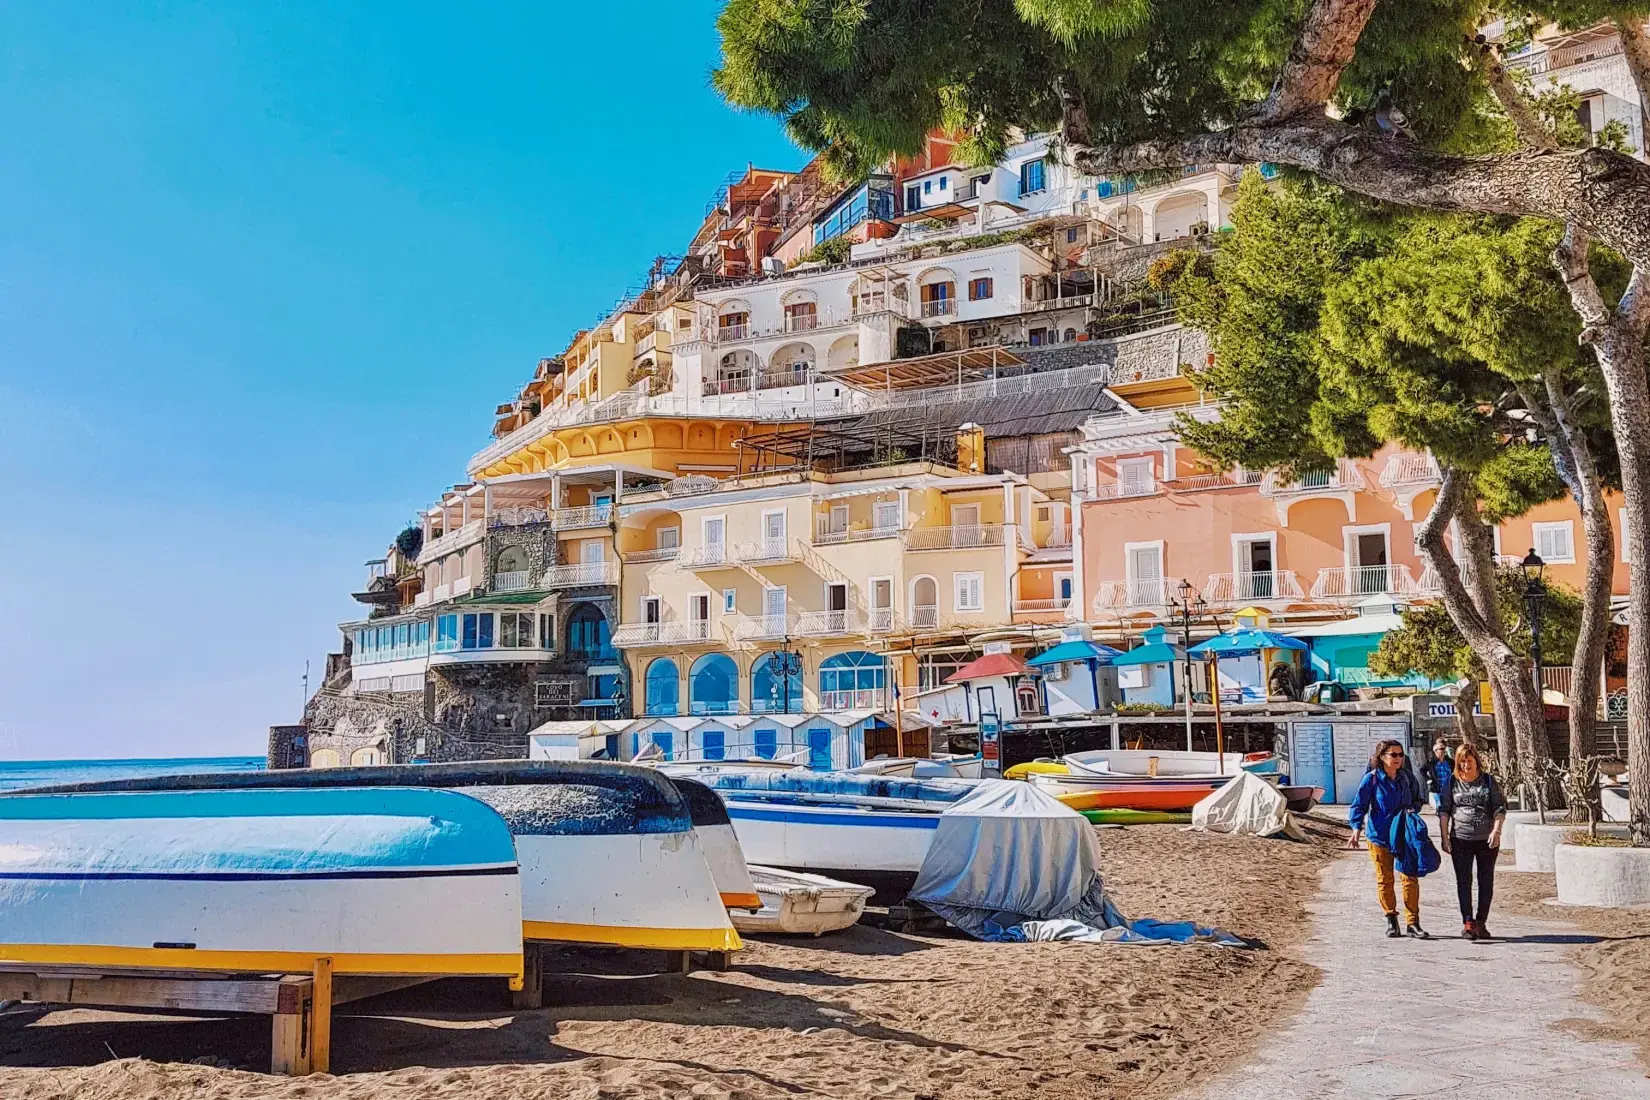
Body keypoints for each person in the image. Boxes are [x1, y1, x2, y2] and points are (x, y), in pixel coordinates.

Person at [1347, 739, 1430, 939]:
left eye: (1401, 755)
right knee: (1385, 880)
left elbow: (1418, 799)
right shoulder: (1372, 779)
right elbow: (1359, 805)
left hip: (1403, 835)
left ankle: (1413, 922)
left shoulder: (1407, 778)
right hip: (1380, 837)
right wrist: (1356, 828)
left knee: (1410, 878)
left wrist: (1412, 809)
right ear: (1382, 757)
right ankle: (1391, 920)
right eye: (1393, 755)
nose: (1398, 759)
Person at [1439, 743, 1507, 940]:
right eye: (1462, 762)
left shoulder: (1488, 781)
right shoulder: (1452, 782)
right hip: (1460, 838)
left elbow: (1499, 808)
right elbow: (1444, 810)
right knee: (1464, 881)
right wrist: (1444, 837)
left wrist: (1496, 831)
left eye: (1469, 761)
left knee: (1486, 881)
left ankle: (1481, 922)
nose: (1466, 765)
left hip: (1486, 839)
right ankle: (1468, 922)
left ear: (1476, 761)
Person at [1425, 738, 1453, 810]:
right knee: (1440, 806)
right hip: (1437, 788)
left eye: (1444, 749)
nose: (1443, 751)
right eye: (1441, 749)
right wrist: (1428, 779)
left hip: (1449, 788)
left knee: (1449, 807)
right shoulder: (1432, 762)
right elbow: (1422, 770)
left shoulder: (1450, 761)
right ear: (1435, 751)